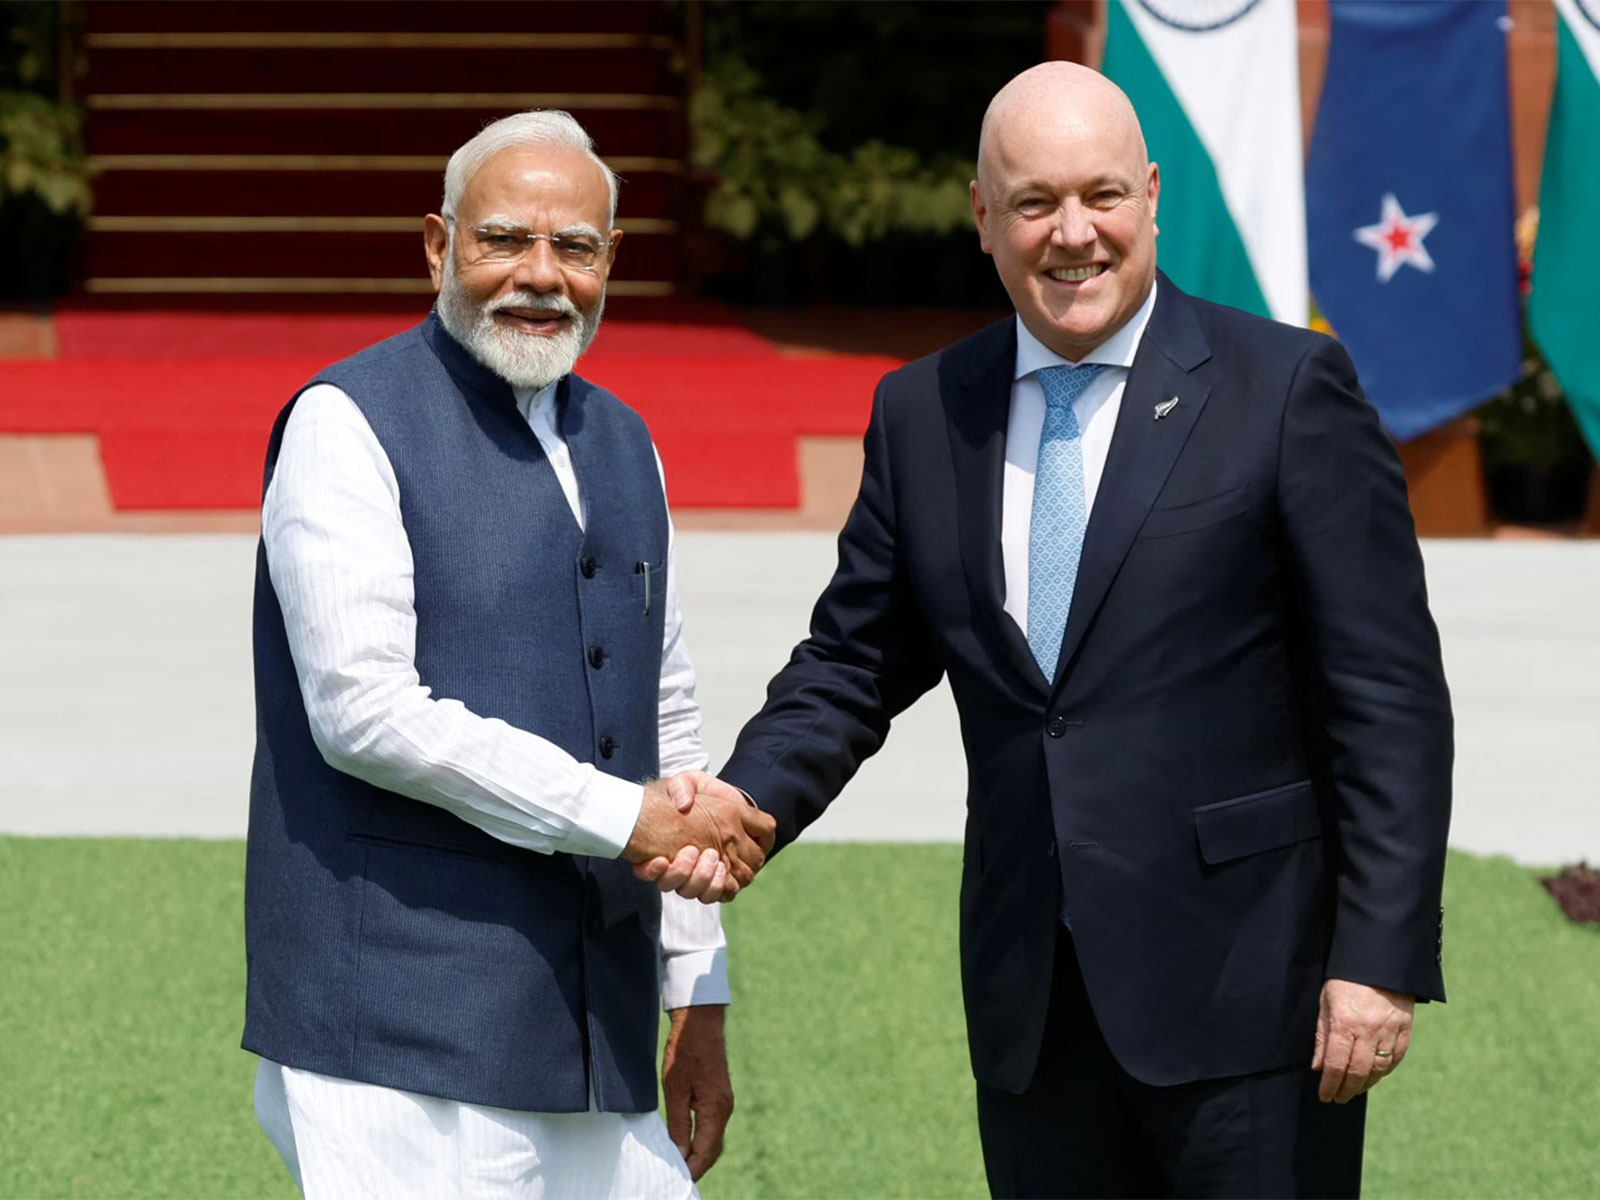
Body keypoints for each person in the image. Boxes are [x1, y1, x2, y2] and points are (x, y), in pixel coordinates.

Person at [645, 63, 1452, 1198]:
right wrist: (745, 803)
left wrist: (1377, 961)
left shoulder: (1286, 389)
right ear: (983, 217)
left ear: (1152, 194)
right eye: (1033, 203)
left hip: (1250, 998)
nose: (1073, 233)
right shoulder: (925, 411)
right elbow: (854, 660)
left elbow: (1388, 697)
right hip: (1033, 1008)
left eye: (1102, 195)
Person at [242, 109, 774, 1200]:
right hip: (397, 1037)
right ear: (437, 247)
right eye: (502, 240)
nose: (539, 275)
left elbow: (663, 720)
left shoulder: (629, 442)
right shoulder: (344, 423)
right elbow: (364, 712)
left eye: (573, 248)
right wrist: (624, 818)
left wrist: (699, 988)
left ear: (611, 262)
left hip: (598, 1030)